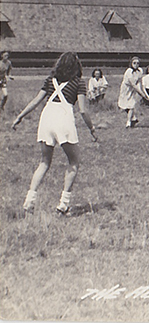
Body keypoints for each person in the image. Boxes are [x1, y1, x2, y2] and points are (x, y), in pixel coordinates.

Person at [11, 52, 98, 215]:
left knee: (44, 162)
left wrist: (19, 116)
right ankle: (63, 205)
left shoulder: (50, 80)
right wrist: (92, 129)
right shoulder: (79, 82)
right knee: (74, 161)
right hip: (63, 118)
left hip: (46, 118)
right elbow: (83, 110)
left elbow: (36, 100)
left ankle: (29, 201)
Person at [118, 56, 149, 128]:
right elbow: (133, 84)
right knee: (124, 106)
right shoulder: (128, 72)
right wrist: (141, 93)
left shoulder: (140, 71)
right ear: (131, 63)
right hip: (125, 89)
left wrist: (143, 92)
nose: (136, 64)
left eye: (138, 63)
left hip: (133, 90)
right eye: (134, 63)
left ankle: (128, 123)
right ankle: (134, 118)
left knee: (131, 105)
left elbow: (139, 82)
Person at [0, 50, 12, 115]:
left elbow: (8, 72)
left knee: (5, 95)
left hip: (3, 81)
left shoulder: (8, 63)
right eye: (5, 56)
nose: (6, 57)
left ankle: (1, 106)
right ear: (2, 56)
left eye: (7, 56)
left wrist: (9, 76)